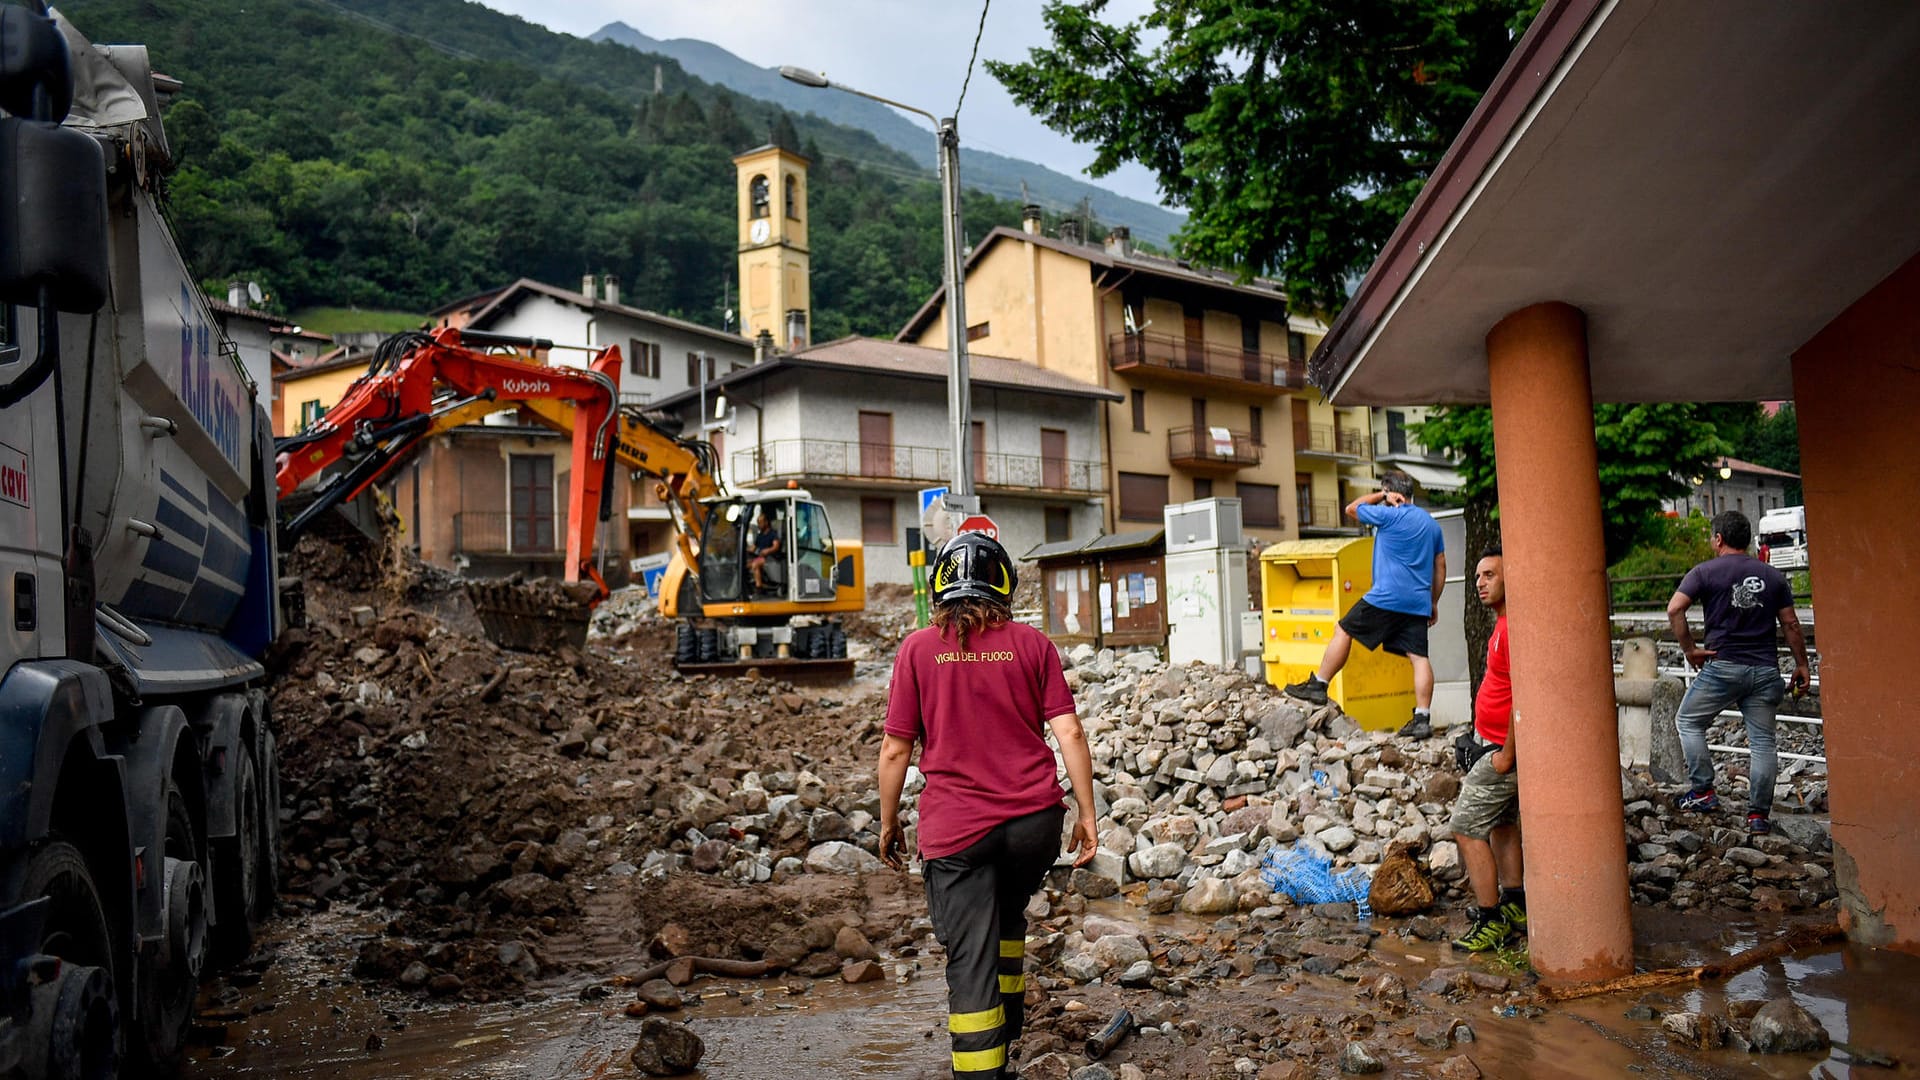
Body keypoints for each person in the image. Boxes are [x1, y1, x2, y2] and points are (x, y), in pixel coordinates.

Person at [877, 534, 1098, 1079]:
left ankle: (982, 1071)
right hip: (1034, 825)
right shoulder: (1032, 644)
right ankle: (1013, 1021)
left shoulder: (917, 650)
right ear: (1004, 585)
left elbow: (895, 749)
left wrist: (888, 822)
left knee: (970, 955)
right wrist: (1088, 815)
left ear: (939, 588)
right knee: (1005, 910)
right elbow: (1068, 730)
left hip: (957, 833)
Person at [1667, 510, 1811, 835]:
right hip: (1765, 670)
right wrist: (1803, 664)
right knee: (1762, 743)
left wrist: (1690, 649)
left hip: (1724, 666)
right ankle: (1758, 816)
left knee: (1688, 721)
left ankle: (1703, 791)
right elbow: (1790, 623)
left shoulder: (1703, 572)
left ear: (1718, 539)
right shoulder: (1773, 576)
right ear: (1747, 540)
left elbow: (1675, 608)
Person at [1284, 470, 1447, 739]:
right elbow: (1440, 566)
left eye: (1385, 493)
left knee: (1343, 630)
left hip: (1385, 596)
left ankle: (1318, 685)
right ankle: (1422, 718)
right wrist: (1433, 602)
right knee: (1418, 658)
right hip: (1417, 602)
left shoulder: (1389, 515)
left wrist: (1382, 496)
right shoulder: (1431, 525)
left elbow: (1352, 508)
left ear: (1392, 494)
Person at [1449, 546, 1528, 952]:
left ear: (1510, 577)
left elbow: (1523, 696)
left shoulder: (1513, 627)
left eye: (1490, 575)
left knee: (1465, 828)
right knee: (1502, 824)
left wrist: (1505, 756)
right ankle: (1515, 902)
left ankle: (1490, 918)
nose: (1480, 583)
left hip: (1503, 751)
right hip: (1492, 742)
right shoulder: (1502, 623)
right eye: (1478, 576)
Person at [748, 507, 782, 592]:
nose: (759, 525)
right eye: (758, 523)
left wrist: (767, 550)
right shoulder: (760, 535)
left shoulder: (772, 534)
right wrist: (748, 549)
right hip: (760, 557)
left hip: (770, 558)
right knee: (746, 564)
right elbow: (754, 547)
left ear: (766, 522)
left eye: (760, 523)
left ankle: (759, 587)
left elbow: (776, 546)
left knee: (755, 564)